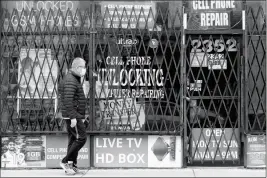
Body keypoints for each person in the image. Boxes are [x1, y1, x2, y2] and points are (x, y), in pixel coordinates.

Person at [58, 57, 87, 175]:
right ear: (77, 67)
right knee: (82, 138)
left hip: (72, 114)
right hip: (73, 115)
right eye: (83, 67)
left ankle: (71, 166)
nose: (84, 70)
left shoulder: (73, 78)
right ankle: (65, 161)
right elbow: (68, 100)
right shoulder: (71, 80)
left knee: (73, 139)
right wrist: (73, 117)